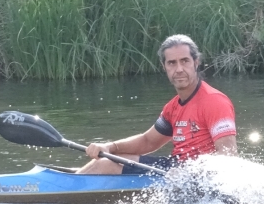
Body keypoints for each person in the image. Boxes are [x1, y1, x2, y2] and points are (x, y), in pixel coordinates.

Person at [76, 34, 237, 174]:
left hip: (194, 176)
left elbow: (228, 155)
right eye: (172, 63)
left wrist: (188, 174)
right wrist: (109, 147)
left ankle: (65, 190)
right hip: (174, 168)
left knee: (105, 164)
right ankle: (72, 181)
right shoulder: (172, 107)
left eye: (185, 61)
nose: (179, 69)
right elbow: (148, 141)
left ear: (196, 62)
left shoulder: (214, 101)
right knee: (109, 158)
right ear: (164, 67)